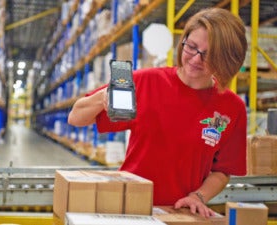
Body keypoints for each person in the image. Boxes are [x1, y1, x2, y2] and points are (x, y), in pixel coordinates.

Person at [68, 7, 247, 218]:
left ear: (225, 59)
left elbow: (222, 170)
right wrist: (102, 97)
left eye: (209, 54)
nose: (196, 59)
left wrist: (198, 196)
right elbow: (75, 117)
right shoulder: (145, 82)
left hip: (180, 213)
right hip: (131, 209)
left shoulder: (232, 108)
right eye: (192, 47)